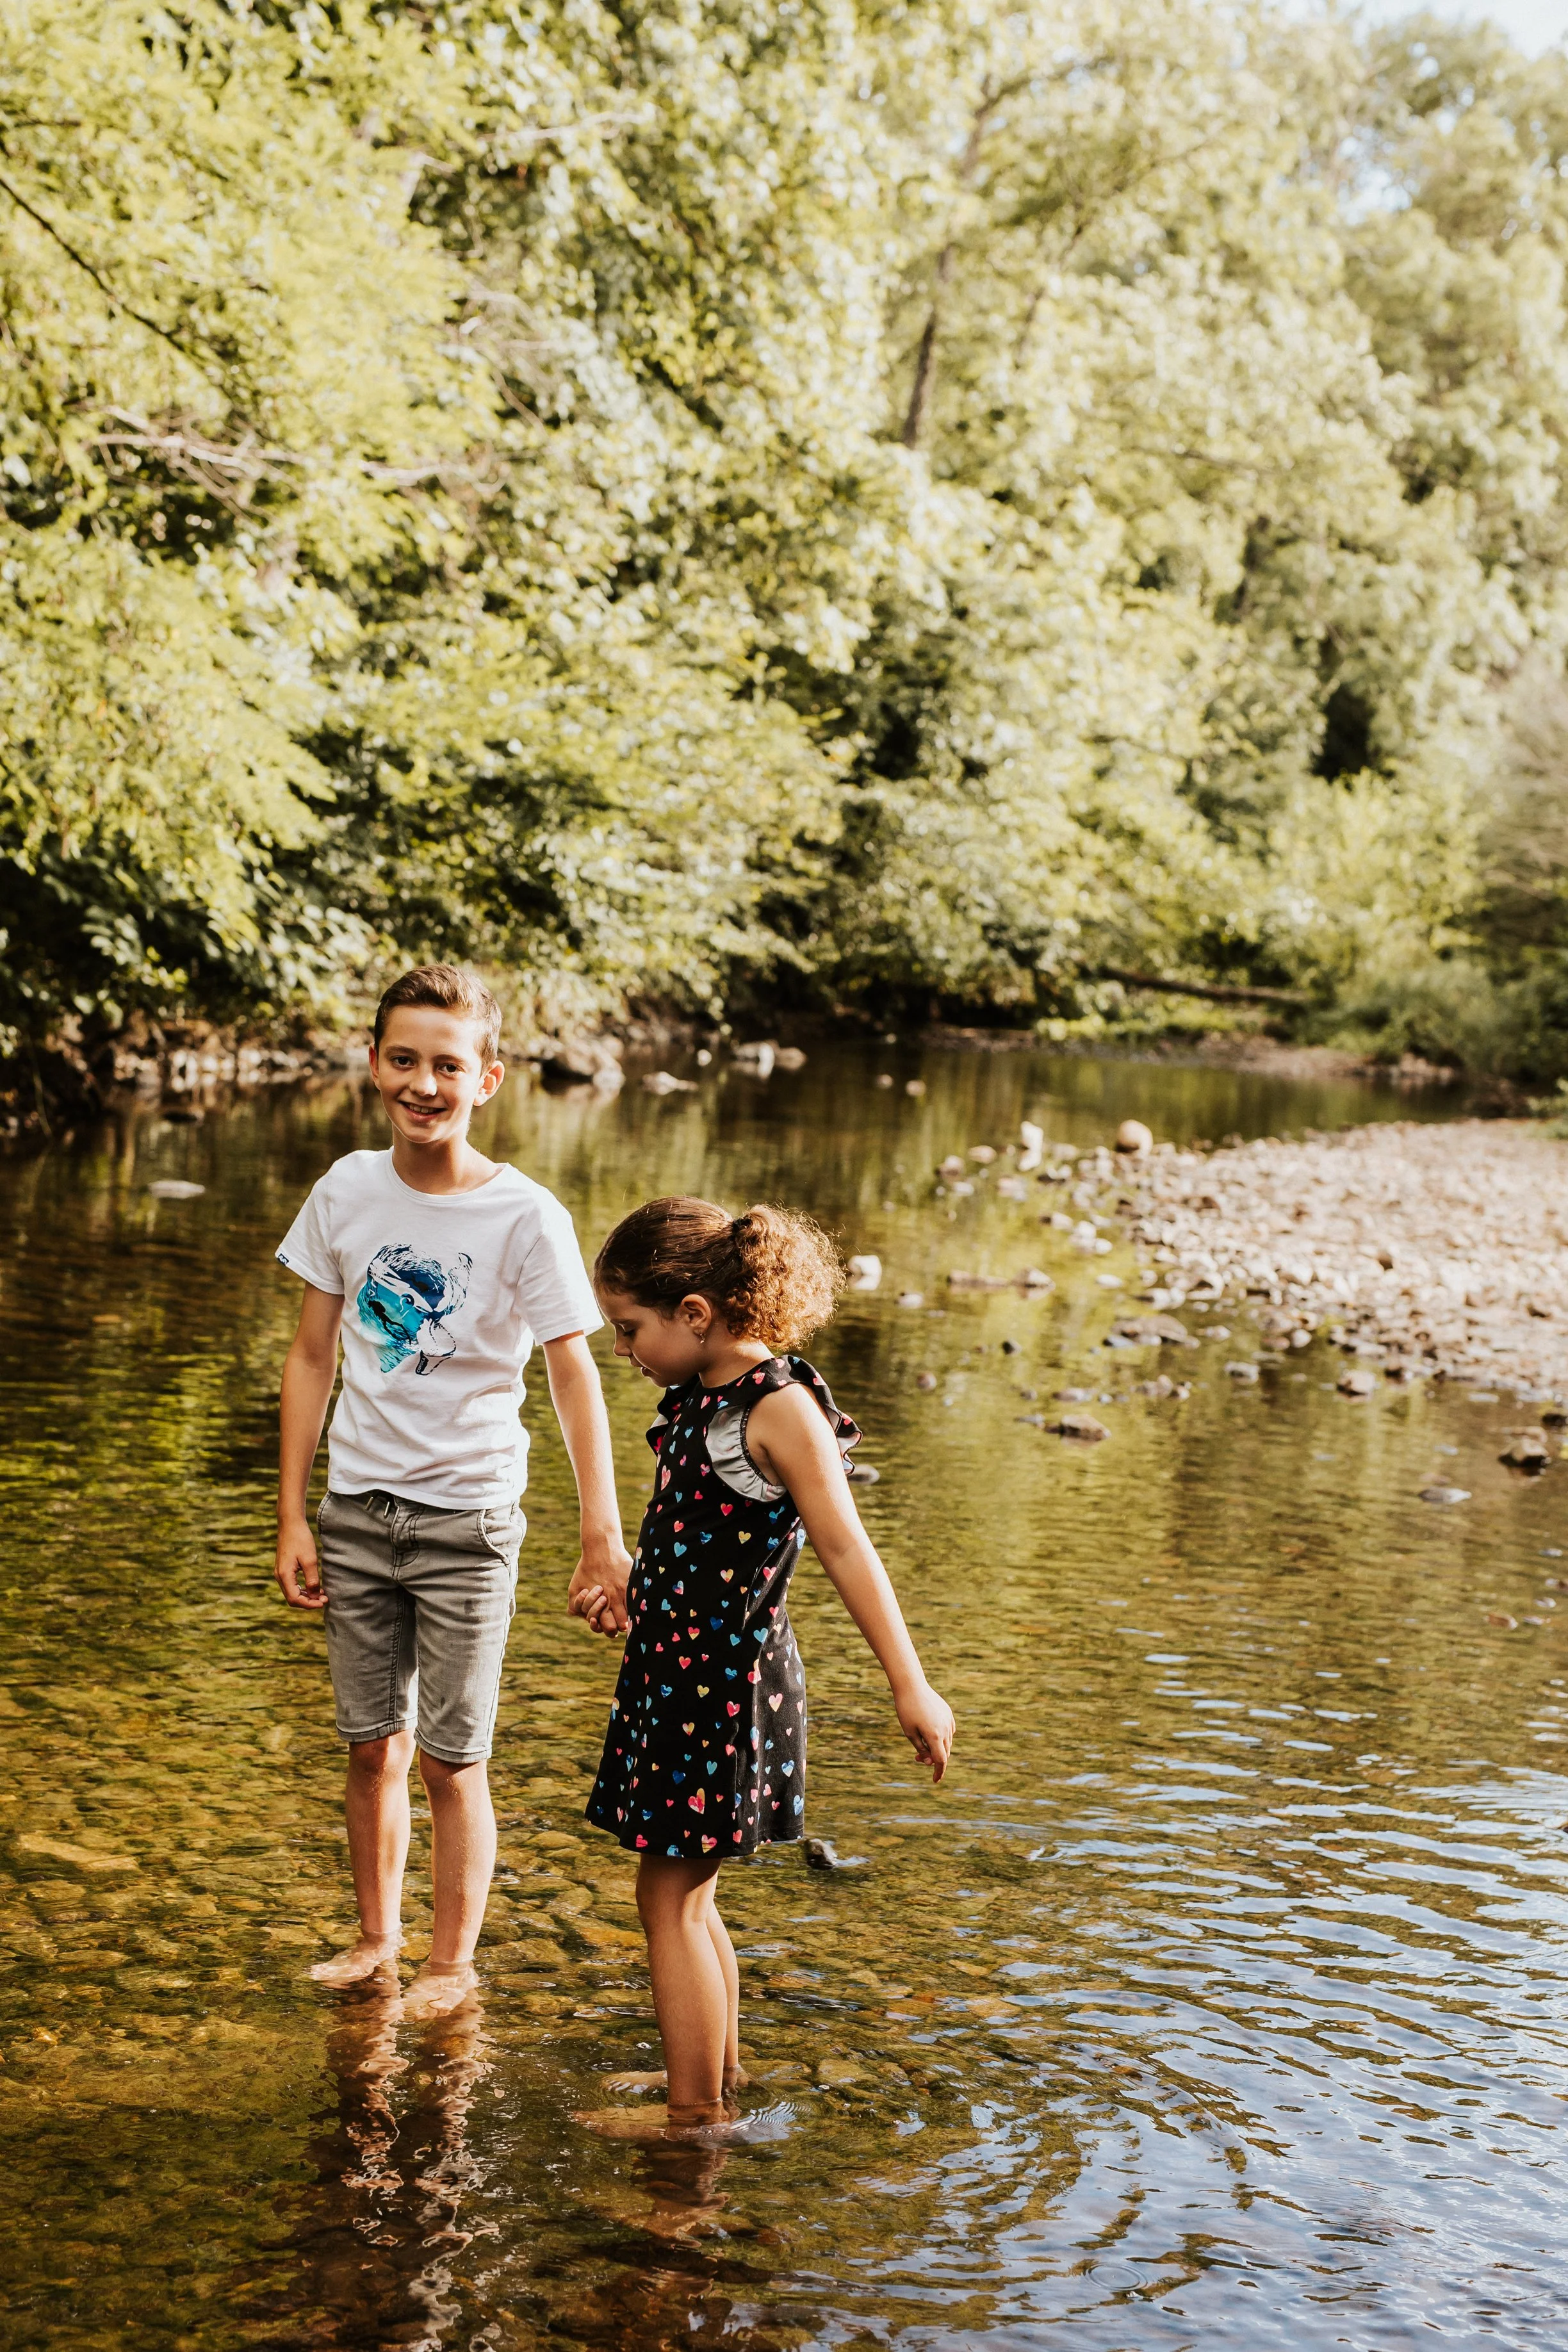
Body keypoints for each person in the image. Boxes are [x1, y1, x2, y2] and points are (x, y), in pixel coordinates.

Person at [273, 964, 632, 2018]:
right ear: (374, 1062)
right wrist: (294, 1512)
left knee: (450, 1756)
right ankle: (375, 1942)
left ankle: (449, 1964)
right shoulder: (344, 1189)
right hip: (354, 1512)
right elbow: (308, 1357)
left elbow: (573, 1375)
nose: (423, 1084)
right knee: (370, 1747)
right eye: (404, 1060)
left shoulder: (526, 1216)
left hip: (469, 1519)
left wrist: (600, 1534)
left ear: (488, 1079)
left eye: (447, 1065)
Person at [576, 1196, 954, 2136]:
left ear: (696, 1314)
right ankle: (718, 2076)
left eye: (631, 1330)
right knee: (686, 1896)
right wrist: (634, 1592)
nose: (625, 1351)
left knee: (669, 1896)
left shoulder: (779, 1408)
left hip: (724, 1691)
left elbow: (846, 1547)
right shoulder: (701, 1395)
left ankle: (693, 2118)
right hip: (680, 1672)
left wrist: (911, 1683)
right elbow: (702, 1545)